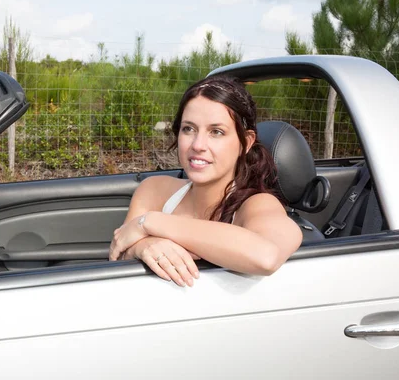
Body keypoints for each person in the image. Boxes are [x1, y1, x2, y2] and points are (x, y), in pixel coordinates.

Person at [108, 76, 303, 287]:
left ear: (245, 143)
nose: (198, 144)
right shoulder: (154, 190)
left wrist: (151, 223)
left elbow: (266, 256)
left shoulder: (258, 205)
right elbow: (118, 252)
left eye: (216, 132)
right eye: (189, 129)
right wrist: (144, 246)